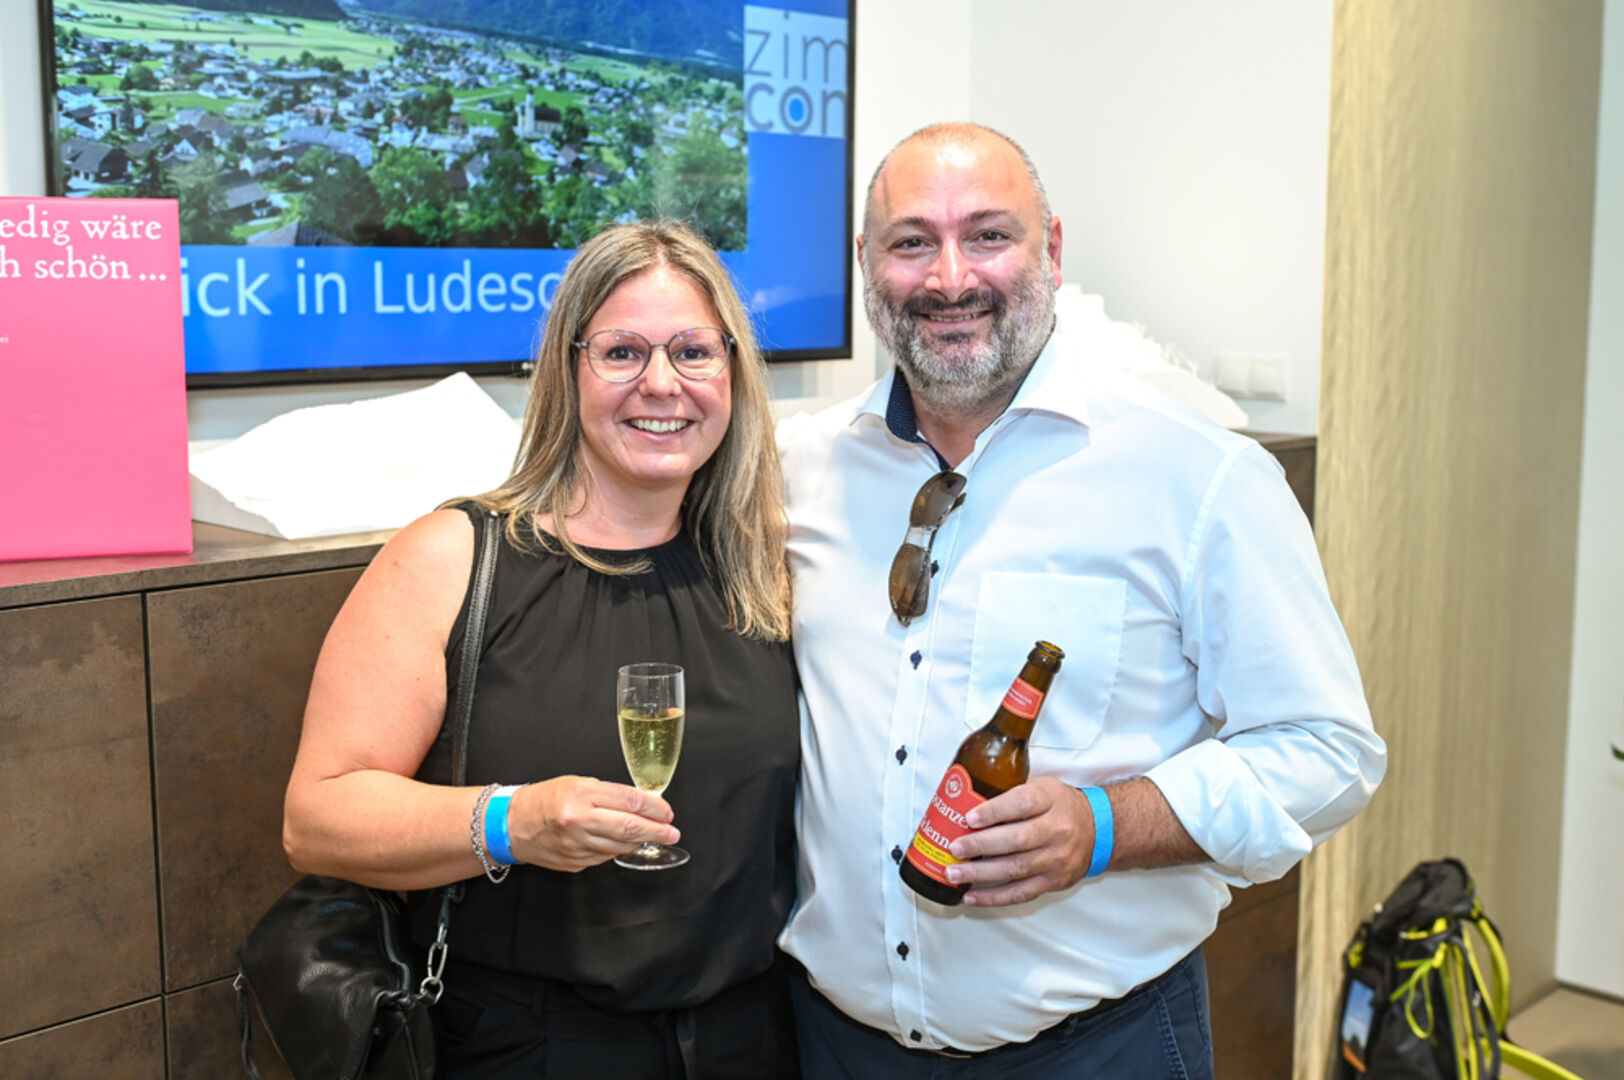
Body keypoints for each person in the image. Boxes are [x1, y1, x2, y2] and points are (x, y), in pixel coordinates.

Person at [776, 122, 1386, 1076]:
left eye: (988, 235)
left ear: (1052, 251)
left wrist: (1106, 827)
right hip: (834, 1045)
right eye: (911, 242)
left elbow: (1327, 751)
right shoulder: (800, 471)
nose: (950, 277)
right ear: (865, 263)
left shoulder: (1198, 476)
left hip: (1100, 1050)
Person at [283, 220, 800, 1078]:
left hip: (753, 1040)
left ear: (734, 373)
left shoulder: (767, 568)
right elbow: (317, 819)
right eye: (623, 352)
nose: (662, 383)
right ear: (568, 369)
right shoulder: (454, 557)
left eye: (694, 352)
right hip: (528, 1049)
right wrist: (512, 822)